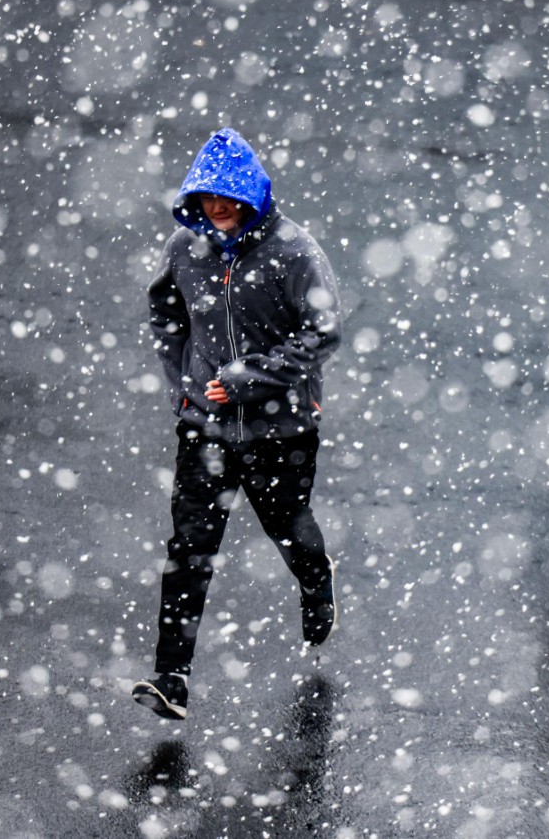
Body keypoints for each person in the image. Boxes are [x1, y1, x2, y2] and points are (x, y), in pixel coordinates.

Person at [134, 127, 343, 721]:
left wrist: (253, 378)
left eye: (229, 199)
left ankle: (314, 577)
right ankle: (171, 677)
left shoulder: (295, 252)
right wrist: (183, 389)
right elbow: (165, 314)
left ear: (253, 195)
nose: (218, 210)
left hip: (281, 429)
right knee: (190, 549)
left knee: (288, 526)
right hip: (205, 428)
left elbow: (323, 332)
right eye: (207, 199)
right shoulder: (184, 248)